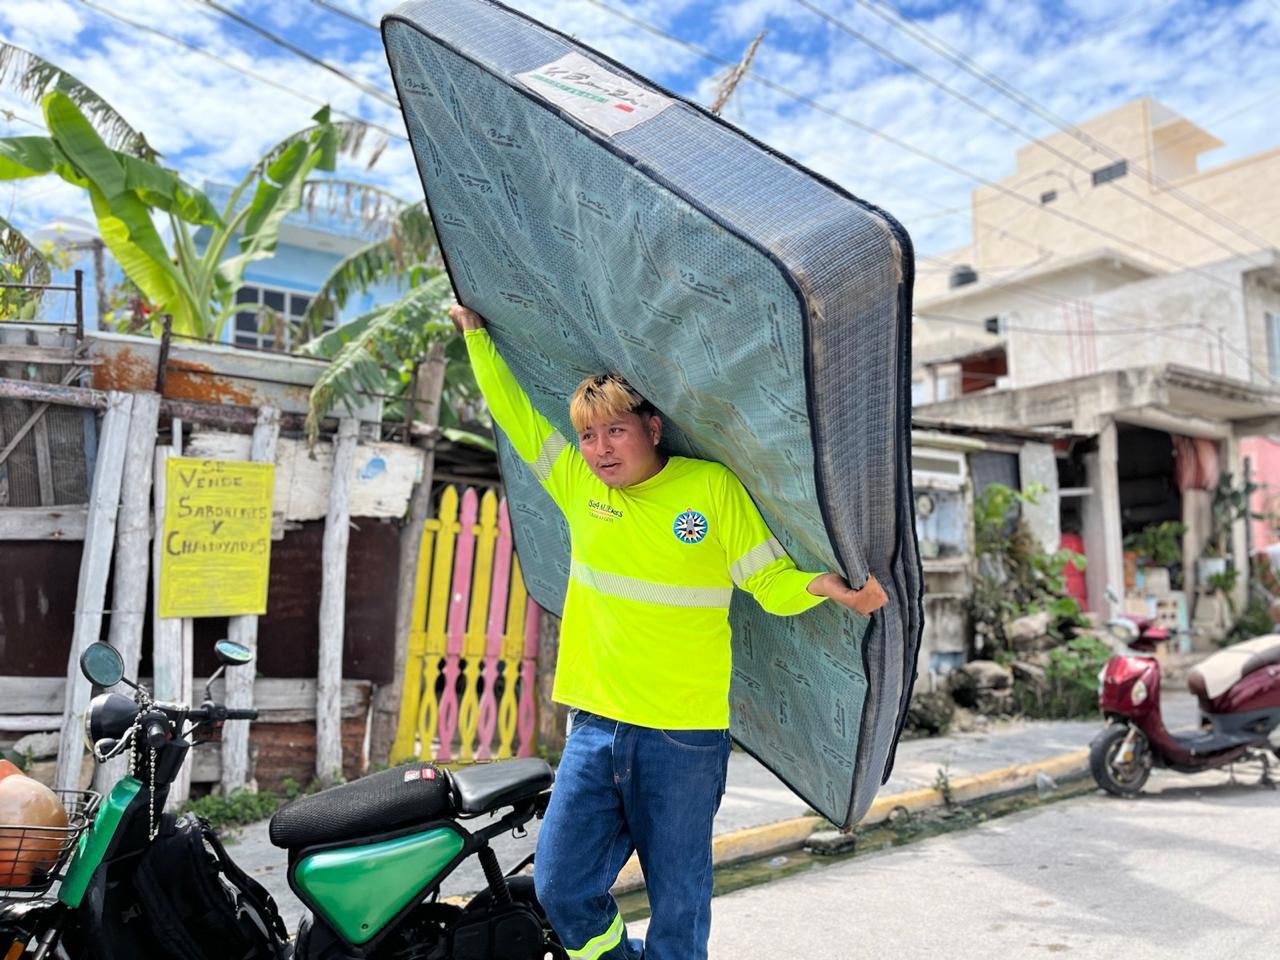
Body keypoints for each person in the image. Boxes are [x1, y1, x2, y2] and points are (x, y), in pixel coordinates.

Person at [449, 302, 887, 960]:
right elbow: (514, 414)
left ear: (652, 427)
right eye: (589, 437)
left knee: (679, 909)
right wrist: (476, 339)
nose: (599, 450)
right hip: (595, 727)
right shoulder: (574, 483)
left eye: (614, 432)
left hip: (684, 737)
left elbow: (765, 581)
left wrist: (823, 586)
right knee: (561, 888)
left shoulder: (708, 490)